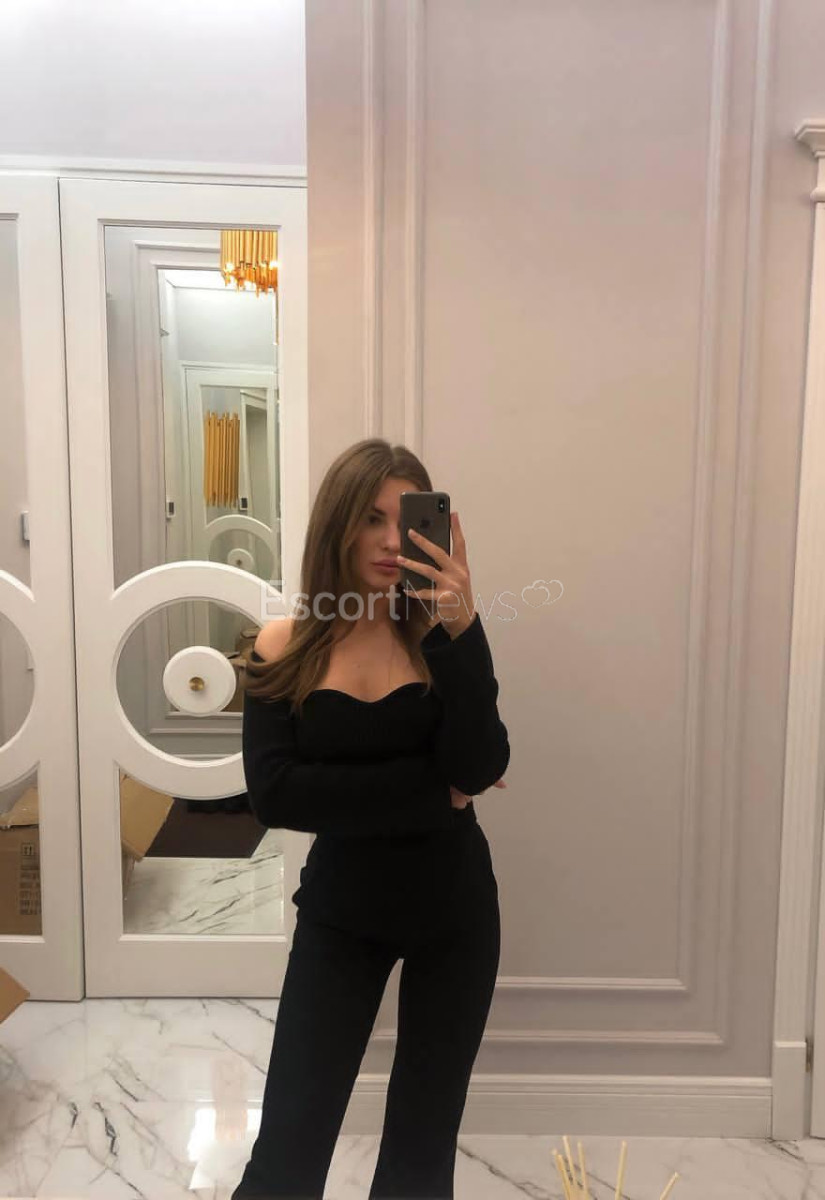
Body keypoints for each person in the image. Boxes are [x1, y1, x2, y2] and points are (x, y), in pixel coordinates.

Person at [231, 438, 510, 1199]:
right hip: (341, 914)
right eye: (371, 519)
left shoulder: (441, 639)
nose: (392, 541)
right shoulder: (286, 645)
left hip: (455, 914)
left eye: (407, 520)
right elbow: (276, 796)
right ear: (339, 525)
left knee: (421, 1152)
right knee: (288, 1149)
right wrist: (432, 794)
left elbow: (480, 765)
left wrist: (463, 625)